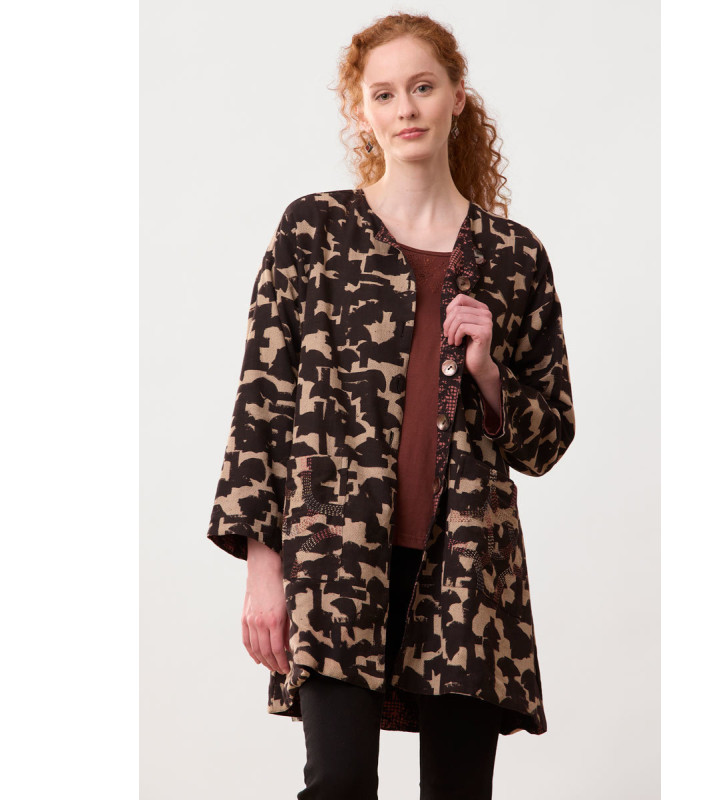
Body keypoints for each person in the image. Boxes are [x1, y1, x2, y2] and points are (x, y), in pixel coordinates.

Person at [206, 12, 576, 800]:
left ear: (457, 96)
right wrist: (264, 570)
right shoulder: (314, 231)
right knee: (338, 783)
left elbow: (548, 440)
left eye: (422, 87)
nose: (405, 108)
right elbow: (261, 406)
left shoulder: (513, 257)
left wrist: (488, 374)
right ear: (362, 111)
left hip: (469, 570)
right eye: (384, 93)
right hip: (333, 557)